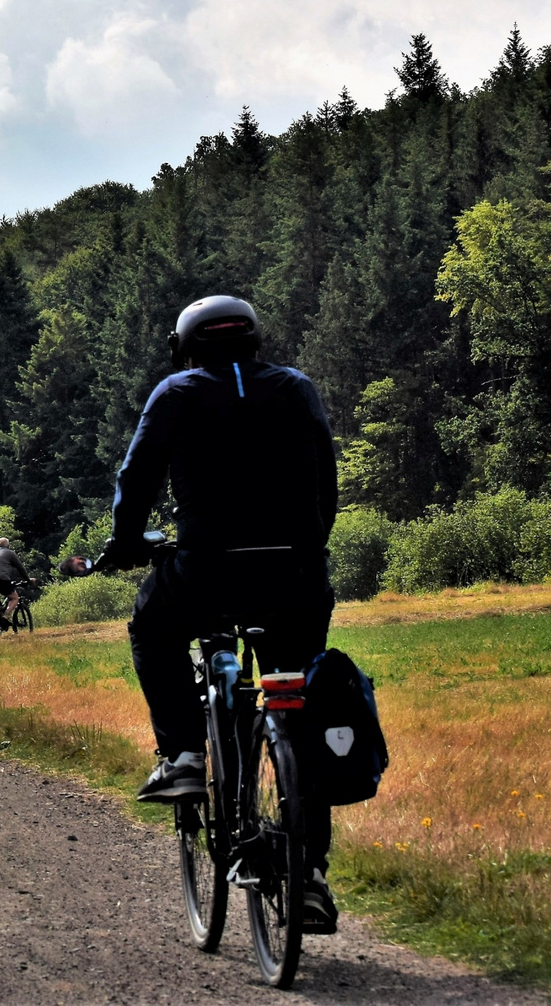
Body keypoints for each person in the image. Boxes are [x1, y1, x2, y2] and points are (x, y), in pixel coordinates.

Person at [102, 294, 340, 927]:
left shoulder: (176, 392)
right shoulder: (295, 388)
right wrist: (314, 540)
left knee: (152, 629)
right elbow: (326, 471)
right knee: (297, 702)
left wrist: (126, 543)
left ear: (186, 347)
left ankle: (183, 756)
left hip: (207, 570)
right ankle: (310, 875)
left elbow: (139, 475)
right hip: (295, 572)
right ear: (255, 341)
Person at [0, 537, 29, 620]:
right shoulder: (10, 553)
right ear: (8, 545)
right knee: (14, 597)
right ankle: (5, 616)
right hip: (2, 579)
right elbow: (20, 568)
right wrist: (28, 580)